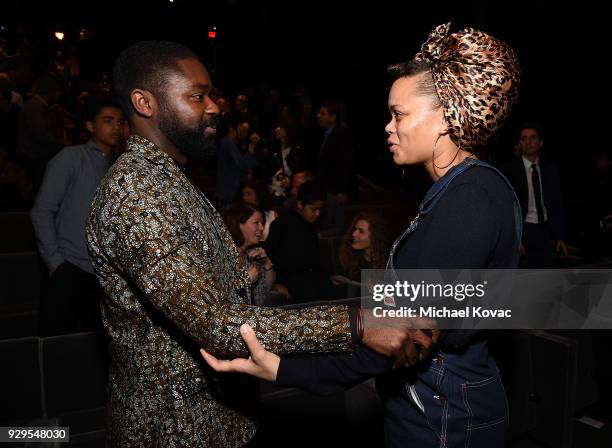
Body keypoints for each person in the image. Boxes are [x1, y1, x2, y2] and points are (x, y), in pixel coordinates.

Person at [86, 41, 436, 447]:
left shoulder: (171, 180)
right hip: (173, 429)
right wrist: (358, 323)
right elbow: (219, 326)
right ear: (145, 103)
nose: (214, 106)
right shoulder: (136, 193)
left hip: (219, 417)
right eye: (198, 96)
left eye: (211, 95)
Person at [202, 22, 522, 448]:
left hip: (445, 415)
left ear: (446, 116)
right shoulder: (455, 192)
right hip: (433, 402)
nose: (388, 127)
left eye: (399, 114)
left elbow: (401, 332)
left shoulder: (471, 198)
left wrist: (282, 369)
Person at [31, 96, 123, 335]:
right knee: (59, 347)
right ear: (91, 125)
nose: (115, 127)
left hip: (107, 276)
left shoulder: (122, 165)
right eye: (108, 120)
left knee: (93, 354)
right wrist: (55, 262)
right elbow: (42, 210)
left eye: (119, 122)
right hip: (70, 268)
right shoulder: (71, 158)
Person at [503, 123, 567, 267]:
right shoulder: (510, 171)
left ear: (540, 142)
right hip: (524, 230)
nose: (528, 142)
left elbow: (556, 204)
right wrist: (516, 239)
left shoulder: (550, 170)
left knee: (547, 279)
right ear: (519, 143)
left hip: (545, 231)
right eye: (523, 138)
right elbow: (507, 208)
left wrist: (560, 237)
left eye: (532, 138)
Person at [222, 202, 276, 305]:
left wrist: (267, 263)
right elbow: (219, 299)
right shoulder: (223, 255)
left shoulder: (251, 255)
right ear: (238, 225)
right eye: (256, 223)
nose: (261, 228)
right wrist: (245, 282)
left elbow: (263, 293)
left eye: (262, 223)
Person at [331, 212, 391, 297]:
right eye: (355, 229)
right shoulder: (348, 258)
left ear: (375, 236)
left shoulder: (390, 261)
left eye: (361, 231)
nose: (354, 234)